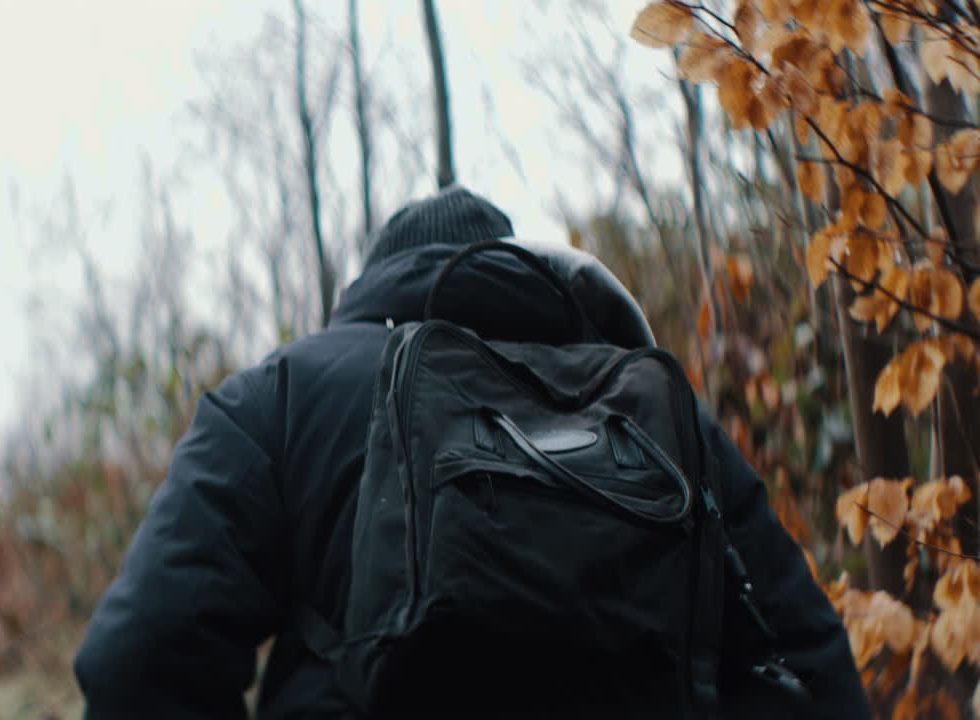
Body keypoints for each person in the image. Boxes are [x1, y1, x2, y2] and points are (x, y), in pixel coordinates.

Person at [73, 186, 869, 719]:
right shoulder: (650, 405)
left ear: (373, 284)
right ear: (523, 271)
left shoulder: (281, 396)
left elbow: (137, 661)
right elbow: (809, 662)